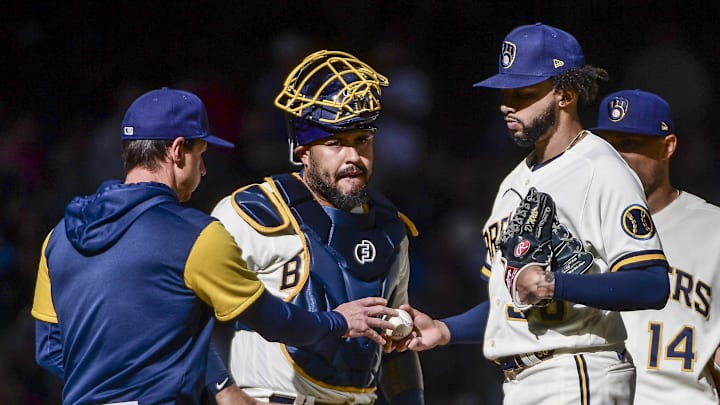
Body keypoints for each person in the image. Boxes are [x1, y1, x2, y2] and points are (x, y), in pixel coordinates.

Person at [30, 87, 399, 405]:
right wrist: (338, 321)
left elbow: (49, 351)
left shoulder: (59, 236)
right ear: (177, 151)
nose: (203, 170)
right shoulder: (195, 235)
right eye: (201, 154)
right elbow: (273, 321)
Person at [391, 23, 671, 405]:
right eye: (505, 91)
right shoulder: (514, 183)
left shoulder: (599, 168)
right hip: (524, 379)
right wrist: (445, 329)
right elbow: (508, 303)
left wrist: (556, 284)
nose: (508, 103)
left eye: (524, 93)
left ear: (565, 94)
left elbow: (653, 283)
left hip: (576, 369)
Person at [205, 50, 424, 404]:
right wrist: (224, 391)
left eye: (362, 140)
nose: (353, 157)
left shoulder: (389, 228)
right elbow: (182, 315)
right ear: (302, 149)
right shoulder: (250, 212)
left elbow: (398, 349)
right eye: (335, 142)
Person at [591, 89, 720, 404]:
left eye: (630, 145)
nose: (617, 158)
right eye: (608, 146)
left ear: (668, 147)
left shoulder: (714, 229)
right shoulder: (578, 229)